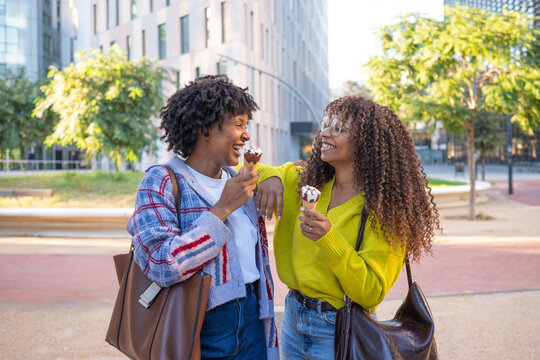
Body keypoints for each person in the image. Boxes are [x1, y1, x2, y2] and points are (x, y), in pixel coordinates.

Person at [256, 96, 441, 360]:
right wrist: (270, 176)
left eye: (338, 129)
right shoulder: (304, 181)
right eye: (326, 124)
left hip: (339, 329)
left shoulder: (384, 212)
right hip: (293, 319)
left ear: (365, 144)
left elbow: (370, 293)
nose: (325, 133)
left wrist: (329, 238)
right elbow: (243, 170)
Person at [127, 75, 279, 360]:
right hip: (200, 326)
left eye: (247, 126)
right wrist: (221, 210)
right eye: (238, 124)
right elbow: (161, 263)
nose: (246, 135)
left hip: (253, 320)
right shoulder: (160, 181)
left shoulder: (241, 181)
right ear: (205, 128)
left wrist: (274, 179)